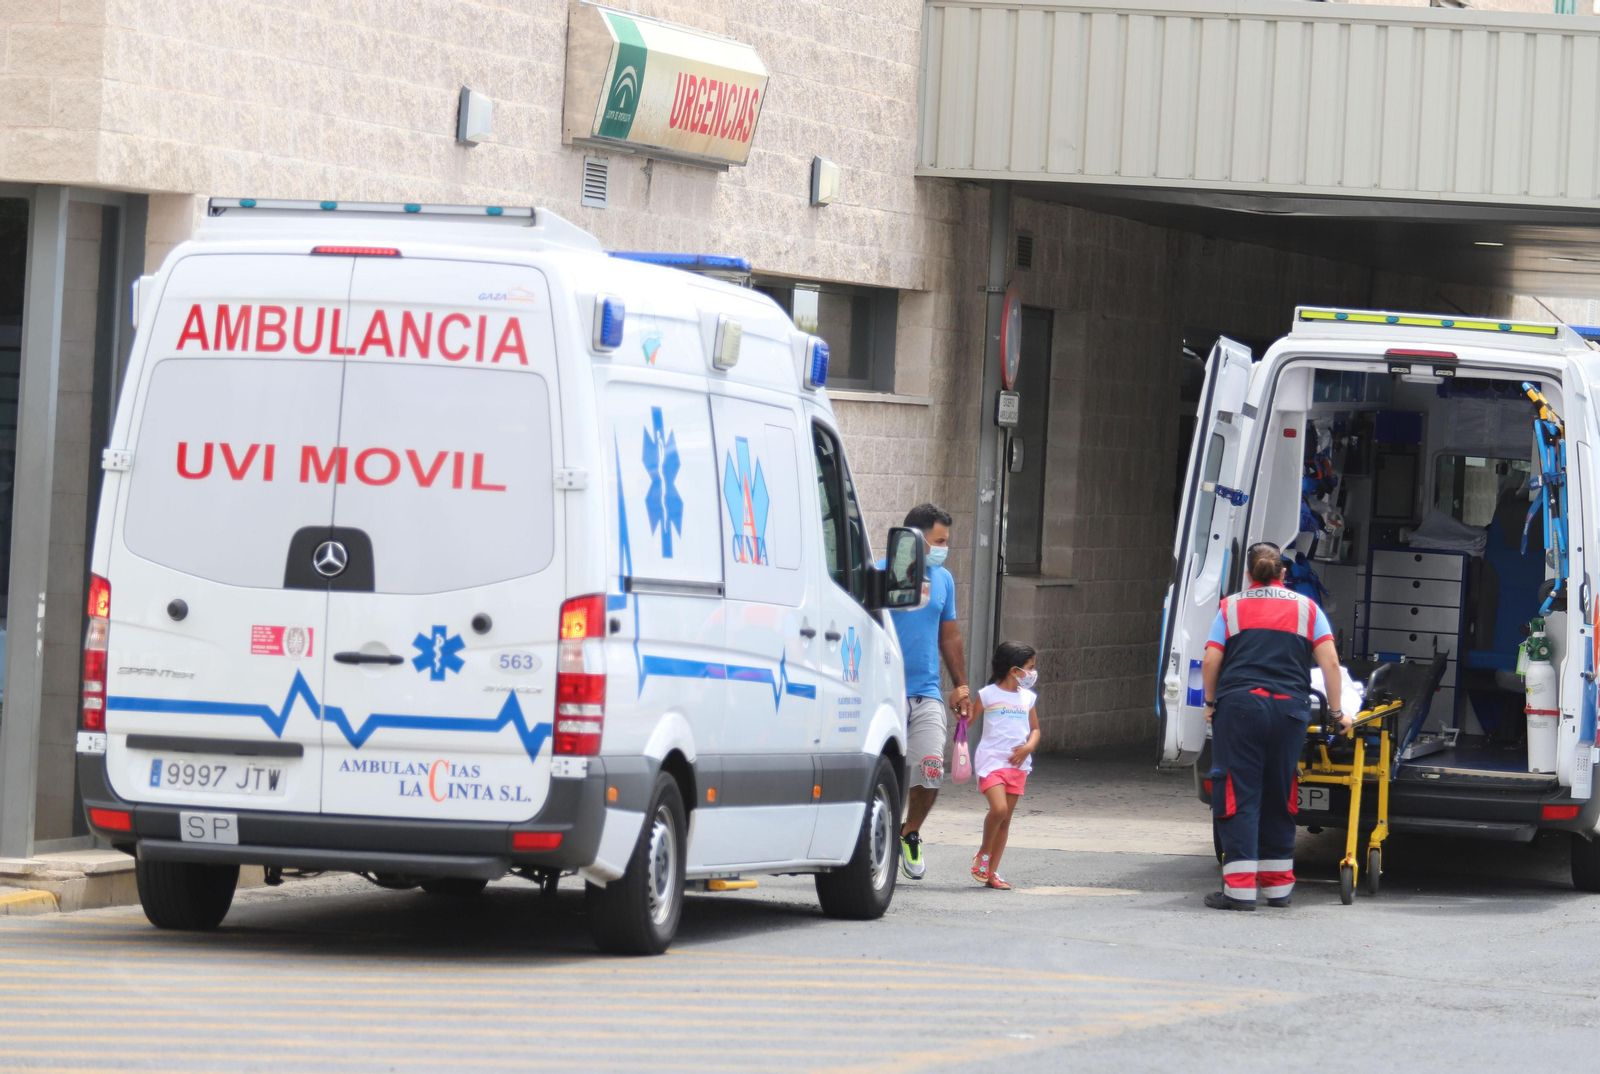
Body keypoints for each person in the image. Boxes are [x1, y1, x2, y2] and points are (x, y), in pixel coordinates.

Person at [1200, 541, 1351, 911]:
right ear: (1284, 574)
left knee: (1239, 793)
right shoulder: (1307, 608)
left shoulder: (1231, 607)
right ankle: (1278, 887)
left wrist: (1208, 703)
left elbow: (1210, 660)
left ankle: (1238, 891)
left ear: (1248, 574)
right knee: (1281, 793)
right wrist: (1336, 712)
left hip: (1240, 708)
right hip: (1290, 710)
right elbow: (1330, 663)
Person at [888, 503, 970, 880]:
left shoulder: (943, 579)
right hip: (883, 691)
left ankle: (910, 832)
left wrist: (961, 686)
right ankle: (879, 835)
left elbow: (949, 635)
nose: (943, 548)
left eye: (946, 542)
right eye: (939, 541)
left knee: (931, 769)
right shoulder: (878, 573)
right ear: (915, 539)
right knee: (884, 773)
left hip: (927, 691)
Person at [971, 641, 1039, 890]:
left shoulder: (1027, 698)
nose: (1033, 672)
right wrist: (960, 710)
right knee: (998, 810)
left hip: (1018, 766)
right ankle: (983, 853)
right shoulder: (987, 694)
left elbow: (1035, 730)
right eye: (1030, 667)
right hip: (991, 762)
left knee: (1006, 821)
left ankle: (991, 872)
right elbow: (967, 721)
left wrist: (1028, 747)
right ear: (1014, 670)